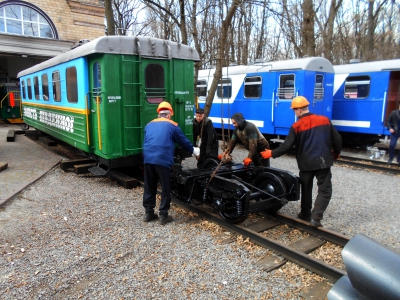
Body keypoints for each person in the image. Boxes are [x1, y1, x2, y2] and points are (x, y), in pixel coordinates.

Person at [260, 96, 342, 227]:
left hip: (306, 163)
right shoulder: (324, 120)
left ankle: (305, 214)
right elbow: (337, 139)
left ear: (298, 110)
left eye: (294, 111)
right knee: (325, 190)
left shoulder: (297, 126)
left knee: (306, 188)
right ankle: (316, 217)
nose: (294, 113)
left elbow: (287, 146)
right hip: (323, 162)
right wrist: (336, 152)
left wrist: (272, 153)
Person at [142, 101, 200, 225]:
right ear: (169, 114)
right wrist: (194, 150)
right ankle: (163, 215)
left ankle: (148, 212)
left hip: (148, 159)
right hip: (162, 159)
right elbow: (183, 141)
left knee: (149, 185)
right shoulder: (172, 125)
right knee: (165, 186)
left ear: (159, 113)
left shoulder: (149, 125)